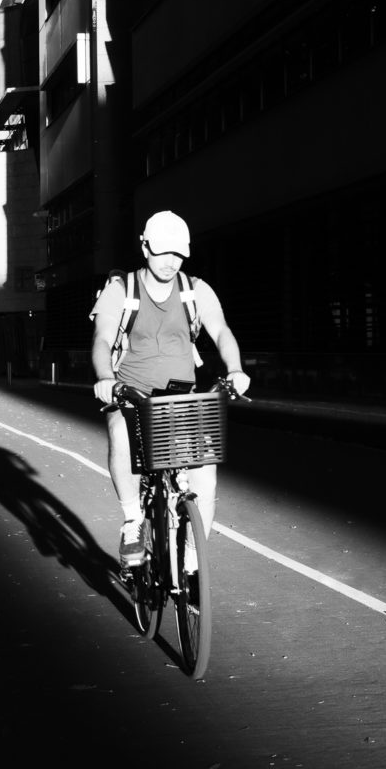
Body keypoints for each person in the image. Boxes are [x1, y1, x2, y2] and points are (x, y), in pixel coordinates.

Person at [90, 210, 251, 569]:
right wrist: (106, 378)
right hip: (131, 392)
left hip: (181, 398)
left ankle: (194, 560)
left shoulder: (196, 291)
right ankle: (133, 521)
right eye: (163, 252)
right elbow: (102, 339)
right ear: (145, 247)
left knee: (204, 475)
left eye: (178, 254)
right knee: (121, 435)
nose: (170, 262)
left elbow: (221, 331)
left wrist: (236, 369)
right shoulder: (122, 292)